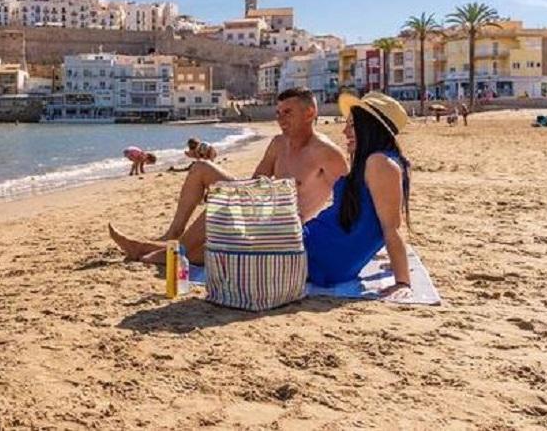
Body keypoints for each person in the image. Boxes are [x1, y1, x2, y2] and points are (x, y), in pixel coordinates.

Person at [110, 87, 348, 248]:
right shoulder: (278, 143)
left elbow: (350, 201)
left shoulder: (327, 153)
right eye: (278, 113)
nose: (280, 119)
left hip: (284, 225)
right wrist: (231, 191)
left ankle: (157, 251)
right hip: (260, 205)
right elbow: (257, 180)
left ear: (310, 113)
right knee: (201, 168)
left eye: (288, 112)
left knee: (203, 242)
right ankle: (172, 235)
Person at [302, 91, 413, 298]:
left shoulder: (380, 163)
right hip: (319, 246)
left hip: (321, 254)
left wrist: (402, 282)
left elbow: (392, 227)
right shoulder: (376, 162)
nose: (344, 131)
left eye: (352, 125)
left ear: (371, 128)